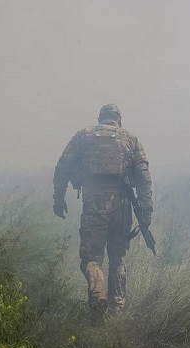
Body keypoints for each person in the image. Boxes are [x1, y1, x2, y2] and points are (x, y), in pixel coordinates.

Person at [52, 104, 153, 319]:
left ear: (99, 118)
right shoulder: (130, 139)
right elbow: (143, 176)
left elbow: (63, 165)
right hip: (123, 205)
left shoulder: (83, 136)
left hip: (94, 203)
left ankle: (98, 294)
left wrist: (58, 197)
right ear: (119, 120)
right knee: (118, 259)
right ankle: (116, 312)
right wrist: (146, 212)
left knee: (91, 258)